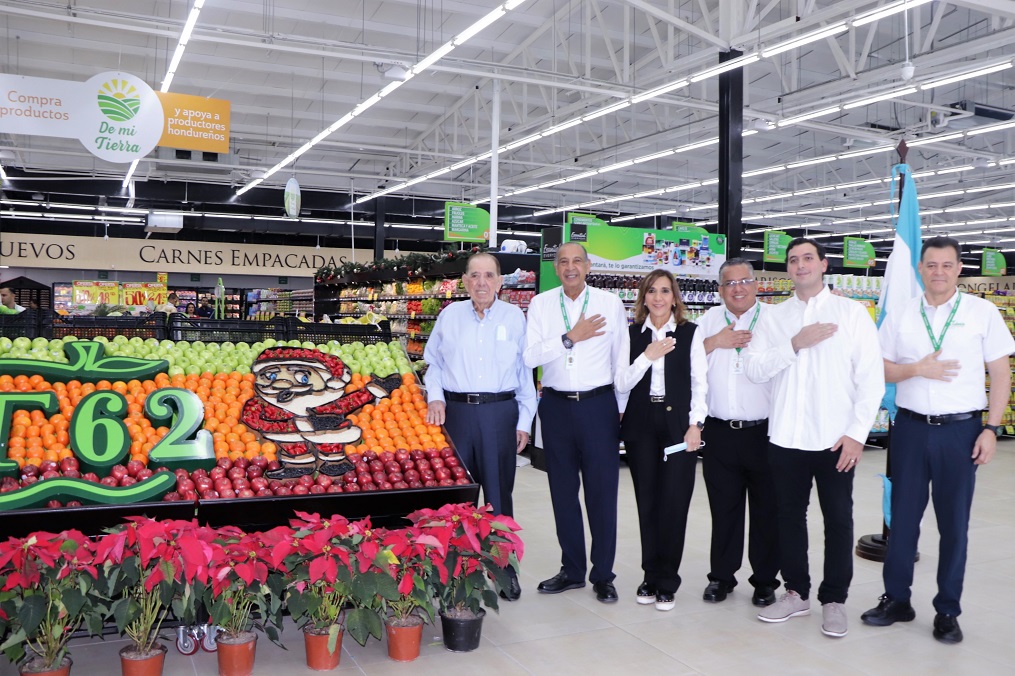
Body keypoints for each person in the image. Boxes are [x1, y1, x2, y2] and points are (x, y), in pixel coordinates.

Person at [861, 236, 1014, 644]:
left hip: (961, 432)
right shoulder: (901, 314)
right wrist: (916, 370)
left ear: (959, 268)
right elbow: (881, 369)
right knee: (903, 522)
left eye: (947, 265)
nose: (939, 272)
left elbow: (1001, 374)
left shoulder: (982, 312)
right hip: (910, 429)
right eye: (931, 265)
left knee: (954, 526)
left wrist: (991, 428)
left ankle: (947, 610)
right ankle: (896, 600)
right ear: (920, 269)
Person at [745, 237, 884, 638]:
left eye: (808, 258)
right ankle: (796, 593)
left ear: (824, 265)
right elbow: (754, 369)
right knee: (788, 517)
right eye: (793, 260)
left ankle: (834, 599)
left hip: (836, 440)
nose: (801, 265)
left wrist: (858, 435)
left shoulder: (852, 313)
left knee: (838, 520)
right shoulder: (773, 318)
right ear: (787, 269)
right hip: (786, 437)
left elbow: (870, 380)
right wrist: (794, 344)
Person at [424, 252, 536, 601]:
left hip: (500, 412)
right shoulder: (449, 316)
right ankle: (455, 571)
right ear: (465, 281)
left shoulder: (515, 317)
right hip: (457, 414)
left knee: (500, 496)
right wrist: (436, 397)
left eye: (489, 275)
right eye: (475, 275)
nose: (482, 282)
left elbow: (525, 374)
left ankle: (505, 571)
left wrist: (525, 421)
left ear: (500, 282)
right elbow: (433, 364)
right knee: (457, 497)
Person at [524, 242, 628, 604]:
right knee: (563, 493)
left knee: (602, 494)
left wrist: (621, 408)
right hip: (555, 406)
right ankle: (571, 570)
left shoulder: (609, 303)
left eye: (577, 261)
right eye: (564, 262)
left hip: (599, 406)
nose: (571, 267)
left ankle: (603, 574)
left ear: (588, 266)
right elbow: (530, 356)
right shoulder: (541, 304)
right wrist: (570, 337)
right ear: (556, 267)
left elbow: (621, 358)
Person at [614, 269, 706, 611]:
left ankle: (668, 580)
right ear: (643, 297)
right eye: (651, 291)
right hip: (641, 424)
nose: (658, 297)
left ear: (674, 297)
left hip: (678, 426)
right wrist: (647, 356)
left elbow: (700, 383)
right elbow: (621, 382)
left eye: (665, 291)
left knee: (674, 502)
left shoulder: (690, 333)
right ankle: (650, 576)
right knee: (647, 503)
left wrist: (696, 424)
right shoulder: (632, 335)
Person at [697, 259, 780, 607]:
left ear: (756, 285)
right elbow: (688, 364)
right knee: (724, 510)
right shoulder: (708, 321)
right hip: (719, 433)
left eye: (744, 281)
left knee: (766, 511)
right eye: (729, 283)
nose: (738, 288)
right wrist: (715, 341)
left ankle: (764, 580)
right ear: (720, 290)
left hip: (764, 433)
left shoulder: (775, 321)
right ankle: (722, 577)